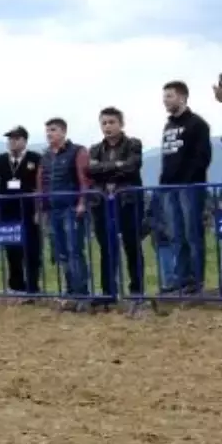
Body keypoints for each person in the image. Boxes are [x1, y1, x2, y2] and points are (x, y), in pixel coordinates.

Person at [158, 80, 213, 295]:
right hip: (169, 188)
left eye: (169, 96)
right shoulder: (168, 125)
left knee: (192, 234)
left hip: (189, 187)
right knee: (176, 235)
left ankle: (195, 280)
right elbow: (167, 157)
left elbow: (202, 157)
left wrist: (188, 179)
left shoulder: (197, 124)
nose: (165, 100)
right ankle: (181, 278)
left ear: (182, 97)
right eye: (164, 97)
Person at [87, 108, 144, 304]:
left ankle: (137, 291)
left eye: (112, 122)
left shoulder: (133, 144)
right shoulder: (94, 149)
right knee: (106, 249)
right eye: (104, 123)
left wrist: (107, 170)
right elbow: (92, 171)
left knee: (132, 247)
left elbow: (132, 167)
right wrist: (117, 166)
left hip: (127, 201)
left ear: (121, 123)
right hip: (102, 204)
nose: (108, 126)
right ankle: (108, 293)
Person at [36, 117, 93, 307]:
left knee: (75, 251)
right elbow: (41, 183)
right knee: (61, 253)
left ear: (63, 131)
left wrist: (82, 202)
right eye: (47, 130)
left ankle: (82, 293)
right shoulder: (45, 157)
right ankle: (70, 292)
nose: (49, 134)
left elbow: (84, 178)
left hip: (71, 208)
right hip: (53, 210)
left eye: (53, 130)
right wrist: (41, 208)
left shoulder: (77, 151)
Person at [0, 126, 43, 297]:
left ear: (24, 141)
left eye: (16, 139)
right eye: (10, 139)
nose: (12, 142)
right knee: (12, 249)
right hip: (8, 210)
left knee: (32, 249)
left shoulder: (35, 159)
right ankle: (16, 286)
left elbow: (42, 183)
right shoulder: (0, 160)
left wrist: (39, 207)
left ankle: (33, 287)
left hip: (29, 210)